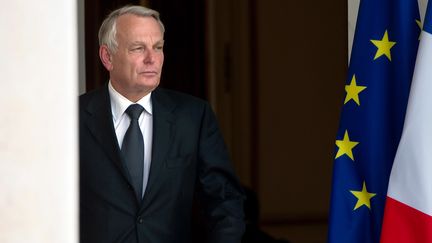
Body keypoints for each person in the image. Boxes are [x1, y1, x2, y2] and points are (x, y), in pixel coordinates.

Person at [79, 5, 245, 243]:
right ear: (107, 57)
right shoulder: (72, 118)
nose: (152, 58)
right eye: (138, 48)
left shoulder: (193, 117)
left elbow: (224, 200)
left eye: (158, 47)